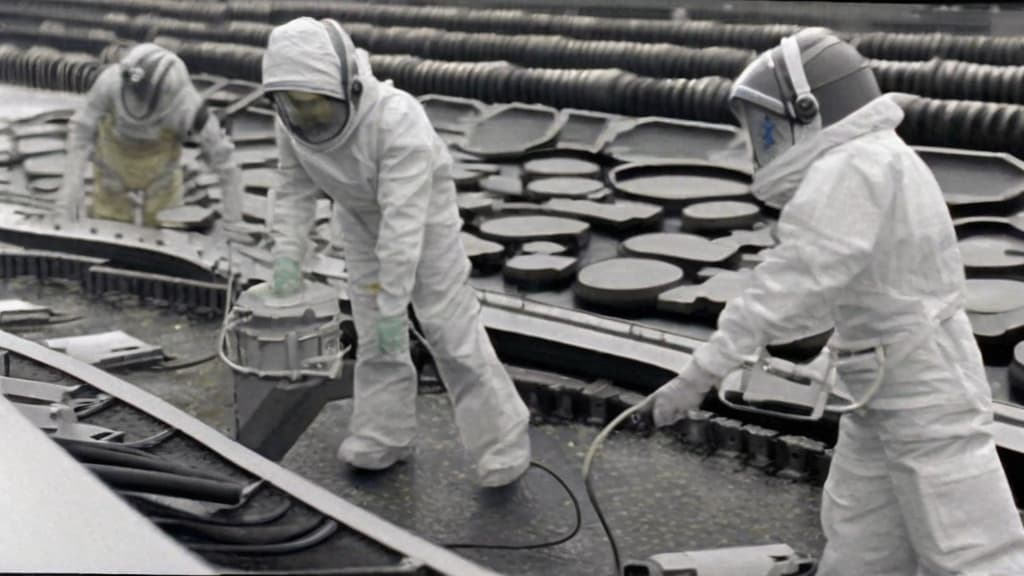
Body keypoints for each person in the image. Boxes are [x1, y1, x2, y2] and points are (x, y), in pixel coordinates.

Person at [651, 28, 1024, 575]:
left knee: (966, 540)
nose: (762, 144)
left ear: (808, 109)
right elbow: (847, 284)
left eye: (768, 129)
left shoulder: (850, 168)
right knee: (864, 528)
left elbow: (796, 278)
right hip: (888, 377)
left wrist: (700, 371)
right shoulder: (871, 160)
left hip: (921, 384)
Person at [261, 17, 531, 487]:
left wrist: (394, 302)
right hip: (358, 215)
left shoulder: (396, 118)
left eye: (316, 107)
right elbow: (293, 190)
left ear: (347, 88)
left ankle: (503, 442)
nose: (307, 119)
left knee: (450, 331)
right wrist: (287, 257)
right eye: (295, 107)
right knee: (375, 334)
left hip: (422, 218)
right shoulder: (291, 121)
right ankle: (384, 435)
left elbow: (404, 225)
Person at [56, 43, 245, 234]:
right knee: (108, 235)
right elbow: (81, 131)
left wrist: (233, 222)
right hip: (112, 178)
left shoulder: (188, 107)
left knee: (166, 239)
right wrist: (70, 188)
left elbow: (226, 164)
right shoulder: (109, 83)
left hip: (161, 186)